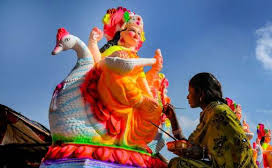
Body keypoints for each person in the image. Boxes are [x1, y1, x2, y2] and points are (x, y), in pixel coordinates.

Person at [83, 7, 165, 152]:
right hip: (113, 93)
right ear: (121, 34)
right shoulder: (113, 50)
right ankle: (139, 101)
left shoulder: (136, 58)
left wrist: (151, 88)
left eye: (139, 33)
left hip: (133, 100)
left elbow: (141, 80)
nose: (136, 35)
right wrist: (94, 43)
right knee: (116, 74)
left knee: (156, 107)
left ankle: (135, 139)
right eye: (133, 30)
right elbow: (97, 64)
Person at [164, 72, 256, 167]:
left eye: (190, 92)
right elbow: (197, 148)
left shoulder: (214, 112)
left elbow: (190, 145)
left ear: (201, 93)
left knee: (178, 164)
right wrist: (173, 119)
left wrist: (173, 120)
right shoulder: (218, 108)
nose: (187, 96)